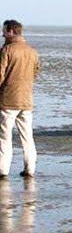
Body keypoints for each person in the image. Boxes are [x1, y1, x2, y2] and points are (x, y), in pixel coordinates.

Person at [0, 20, 40, 178]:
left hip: (8, 100)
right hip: (26, 100)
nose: (2, 33)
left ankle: (3, 170)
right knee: (27, 137)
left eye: (4, 31)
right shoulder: (32, 51)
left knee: (4, 137)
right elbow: (35, 74)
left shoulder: (7, 50)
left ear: (11, 32)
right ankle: (30, 169)